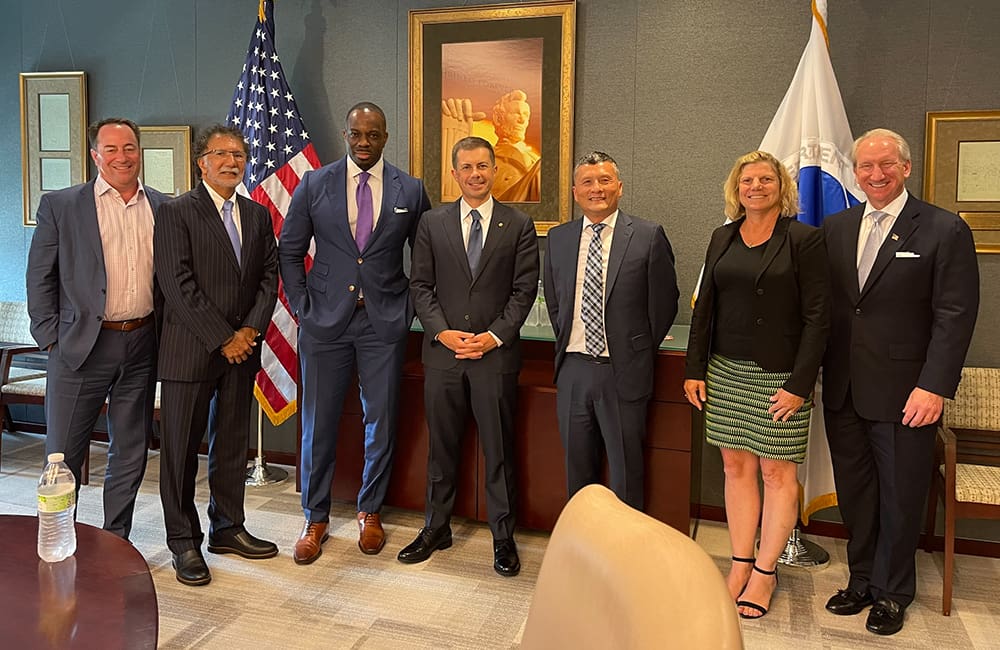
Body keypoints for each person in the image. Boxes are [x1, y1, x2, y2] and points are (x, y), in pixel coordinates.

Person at [821, 128, 979, 635]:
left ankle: (893, 592)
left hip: (908, 393)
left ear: (906, 168)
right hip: (844, 388)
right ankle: (862, 578)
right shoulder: (838, 226)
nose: (875, 174)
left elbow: (955, 316)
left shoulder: (942, 228)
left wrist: (934, 386)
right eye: (865, 166)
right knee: (857, 493)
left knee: (900, 494)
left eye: (886, 164)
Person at [279, 102, 431, 564]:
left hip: (381, 322)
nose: (364, 142)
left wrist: (405, 307)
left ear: (386, 136)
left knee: (380, 419)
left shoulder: (411, 188)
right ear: (345, 135)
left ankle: (370, 511)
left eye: (373, 134)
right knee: (318, 421)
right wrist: (304, 307)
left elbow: (424, 254)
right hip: (324, 321)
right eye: (356, 134)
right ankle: (315, 516)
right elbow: (289, 251)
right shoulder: (314, 183)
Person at [683, 150, 831, 620]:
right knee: (735, 468)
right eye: (747, 180)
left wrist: (800, 384)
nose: (756, 187)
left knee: (777, 473)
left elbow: (818, 319)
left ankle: (766, 572)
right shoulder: (721, 237)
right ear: (736, 188)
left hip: (780, 377)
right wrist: (695, 368)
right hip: (726, 371)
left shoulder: (804, 240)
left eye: (766, 179)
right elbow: (704, 306)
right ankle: (740, 563)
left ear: (780, 187)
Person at [398, 136, 538, 576]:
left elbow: (523, 291)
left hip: (494, 358)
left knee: (498, 451)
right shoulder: (431, 224)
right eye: (467, 167)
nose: (475, 174)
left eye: (483, 166)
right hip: (443, 357)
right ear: (454, 174)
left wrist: (493, 336)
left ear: (494, 170)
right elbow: (420, 285)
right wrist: (443, 333)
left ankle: (502, 537)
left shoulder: (518, 224)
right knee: (441, 449)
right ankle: (435, 527)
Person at [26, 117, 169, 540]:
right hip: (78, 347)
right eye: (111, 149)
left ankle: (115, 539)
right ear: (95, 155)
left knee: (131, 449)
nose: (121, 157)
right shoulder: (61, 205)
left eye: (129, 147)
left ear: (139, 151)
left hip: (142, 342)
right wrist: (50, 337)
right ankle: (58, 537)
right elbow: (40, 278)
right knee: (62, 454)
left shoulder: (163, 206)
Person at [154, 124, 279, 586]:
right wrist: (223, 337)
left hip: (241, 351)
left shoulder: (257, 215)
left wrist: (248, 331)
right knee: (181, 452)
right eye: (222, 154)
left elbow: (269, 276)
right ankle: (183, 541)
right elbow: (177, 284)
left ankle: (227, 528)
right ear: (201, 162)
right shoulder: (175, 212)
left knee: (230, 445)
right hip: (191, 351)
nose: (232, 162)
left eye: (240, 154)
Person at [544, 151, 679, 511]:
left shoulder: (648, 236)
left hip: (623, 372)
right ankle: (583, 548)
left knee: (626, 473)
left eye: (604, 180)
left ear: (619, 187)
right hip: (573, 370)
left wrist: (635, 349)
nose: (596, 189)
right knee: (577, 471)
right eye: (587, 182)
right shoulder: (559, 238)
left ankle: (625, 553)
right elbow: (556, 301)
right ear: (575, 191)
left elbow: (664, 303)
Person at [440, 90, 540, 202]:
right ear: (498, 118)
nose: (522, 120)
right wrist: (455, 132)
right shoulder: (483, 156)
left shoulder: (534, 159)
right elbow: (456, 198)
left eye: (526, 115)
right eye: (516, 113)